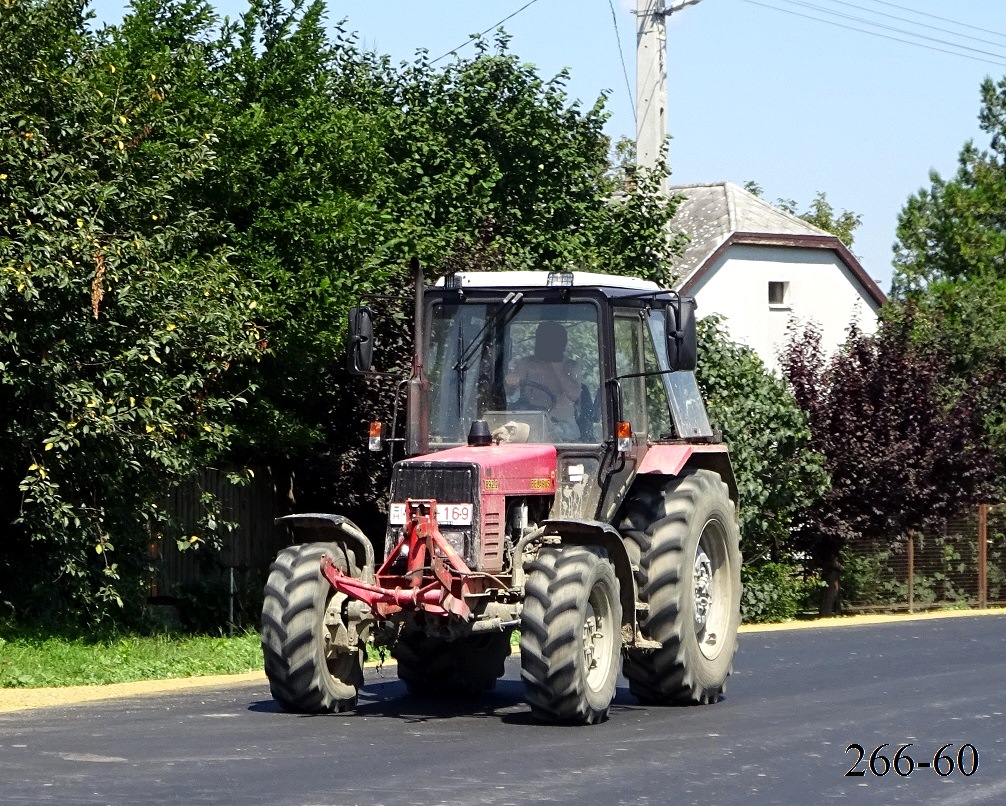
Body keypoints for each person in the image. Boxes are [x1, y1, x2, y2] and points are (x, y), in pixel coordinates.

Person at [504, 321, 581, 442]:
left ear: (562, 343)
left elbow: (574, 395)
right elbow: (509, 390)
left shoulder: (570, 366)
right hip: (532, 425)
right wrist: (511, 382)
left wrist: (557, 366)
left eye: (553, 341)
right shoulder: (527, 364)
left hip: (564, 428)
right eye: (544, 340)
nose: (548, 345)